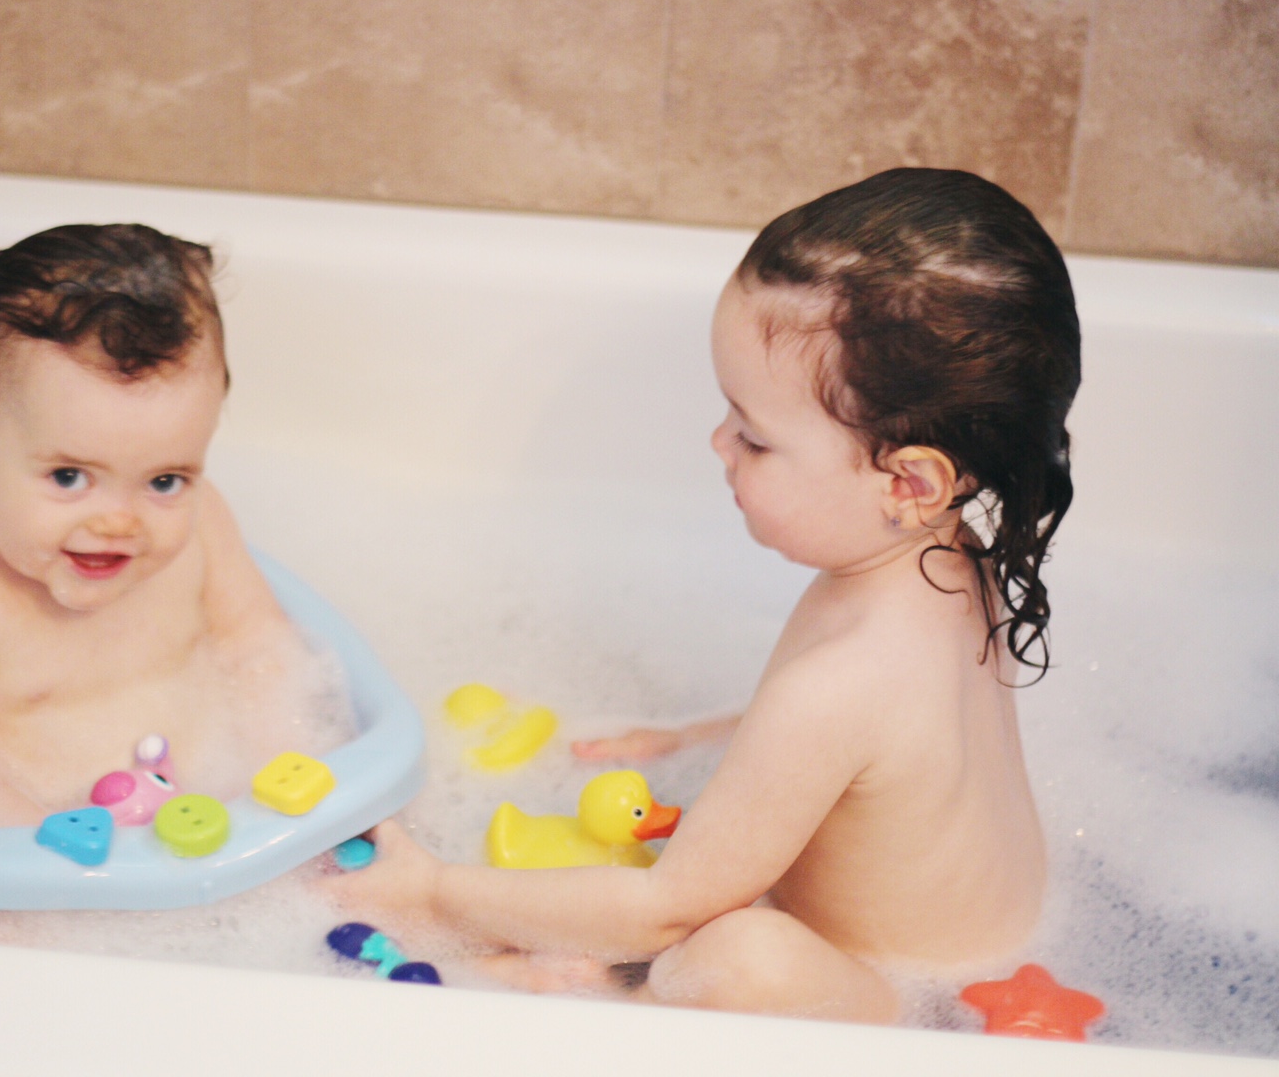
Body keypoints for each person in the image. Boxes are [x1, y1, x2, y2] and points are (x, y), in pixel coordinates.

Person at [329, 168, 1081, 1023]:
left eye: (754, 437)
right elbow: (881, 753)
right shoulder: (951, 557)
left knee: (732, 958)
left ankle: (590, 990)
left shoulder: (840, 682)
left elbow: (666, 910)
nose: (718, 442)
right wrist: (692, 736)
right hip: (998, 938)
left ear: (908, 483)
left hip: (908, 1008)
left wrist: (435, 896)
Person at [0, 224, 327, 827]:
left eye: (165, 481)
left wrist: (284, 782)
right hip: (44, 838)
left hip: (212, 819)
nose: (119, 522)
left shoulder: (203, 521)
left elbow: (257, 648)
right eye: (68, 477)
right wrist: (45, 858)